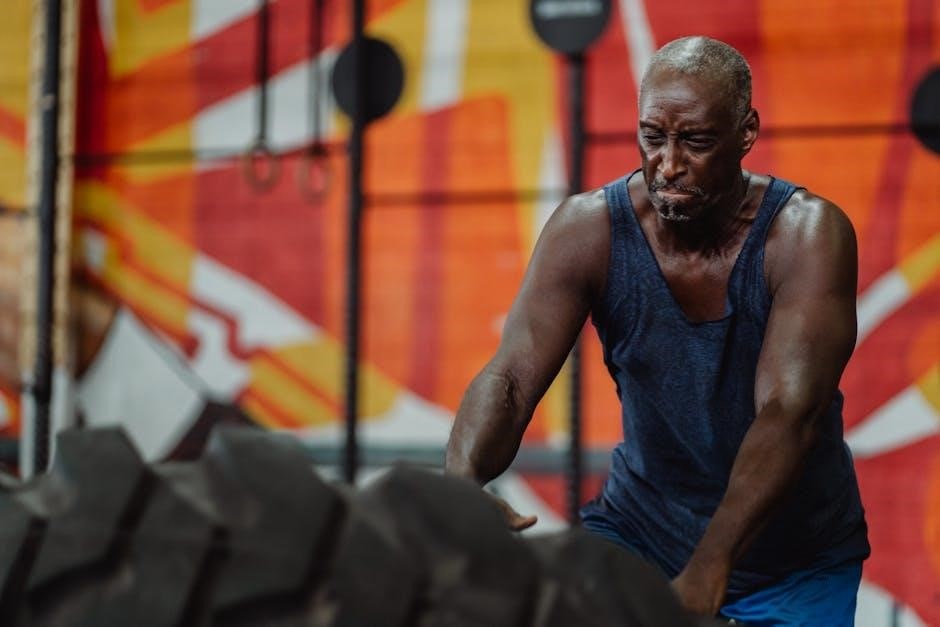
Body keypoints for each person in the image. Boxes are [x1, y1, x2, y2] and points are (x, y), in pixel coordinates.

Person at [444, 36, 869, 624]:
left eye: (696, 141)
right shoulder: (588, 231)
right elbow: (512, 378)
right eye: (653, 137)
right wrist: (461, 488)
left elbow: (788, 415)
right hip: (639, 532)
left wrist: (709, 568)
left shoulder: (805, 237)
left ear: (746, 132)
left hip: (794, 561)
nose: (668, 164)